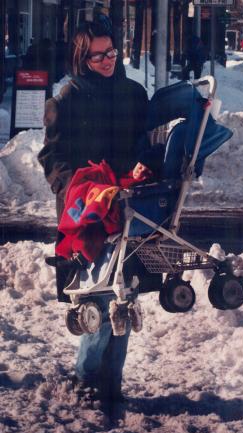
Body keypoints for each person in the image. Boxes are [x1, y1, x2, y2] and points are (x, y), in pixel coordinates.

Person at [38, 20, 163, 405]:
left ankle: (112, 380)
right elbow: (52, 157)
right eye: (99, 55)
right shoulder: (67, 99)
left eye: (112, 52)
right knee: (98, 296)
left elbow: (148, 142)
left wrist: (145, 166)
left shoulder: (133, 93)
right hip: (87, 217)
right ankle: (88, 375)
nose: (109, 60)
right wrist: (77, 189)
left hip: (128, 206)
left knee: (125, 294)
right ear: (82, 56)